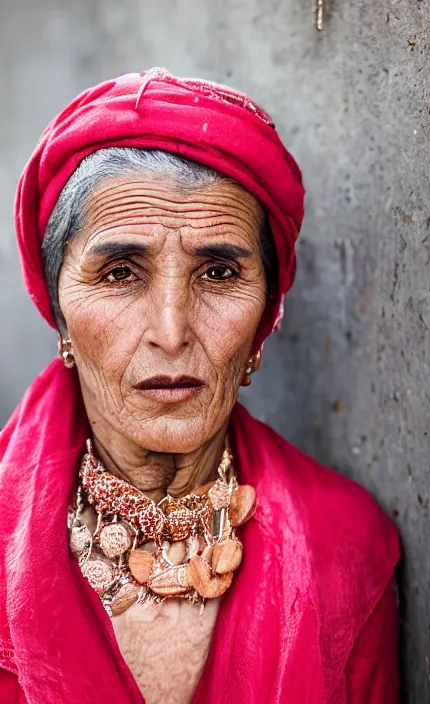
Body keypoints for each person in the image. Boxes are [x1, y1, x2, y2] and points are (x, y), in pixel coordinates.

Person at [0, 68, 400, 704]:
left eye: (218, 272)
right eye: (119, 273)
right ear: (60, 315)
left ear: (265, 317)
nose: (171, 329)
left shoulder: (345, 549)